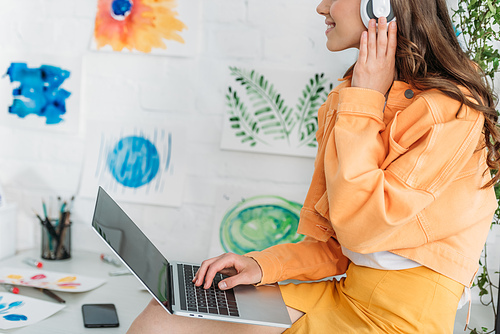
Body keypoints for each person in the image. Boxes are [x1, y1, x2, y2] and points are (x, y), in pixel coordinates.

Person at [127, 0, 499, 332]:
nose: (322, 8)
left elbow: (362, 229)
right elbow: (336, 244)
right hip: (343, 295)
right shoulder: (353, 93)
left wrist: (364, 100)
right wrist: (260, 265)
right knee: (160, 319)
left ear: (381, 6)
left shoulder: (452, 112)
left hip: (398, 322)